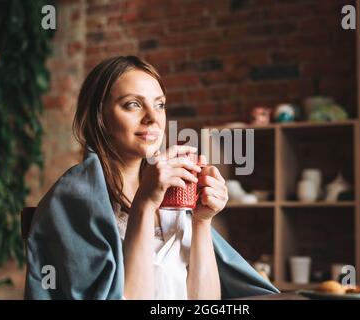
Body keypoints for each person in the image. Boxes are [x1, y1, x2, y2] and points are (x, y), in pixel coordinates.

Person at [24, 55, 279, 300]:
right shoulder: (74, 197)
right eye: (133, 104)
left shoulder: (173, 188)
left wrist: (202, 221)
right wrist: (144, 205)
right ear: (99, 116)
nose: (153, 118)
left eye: (159, 104)